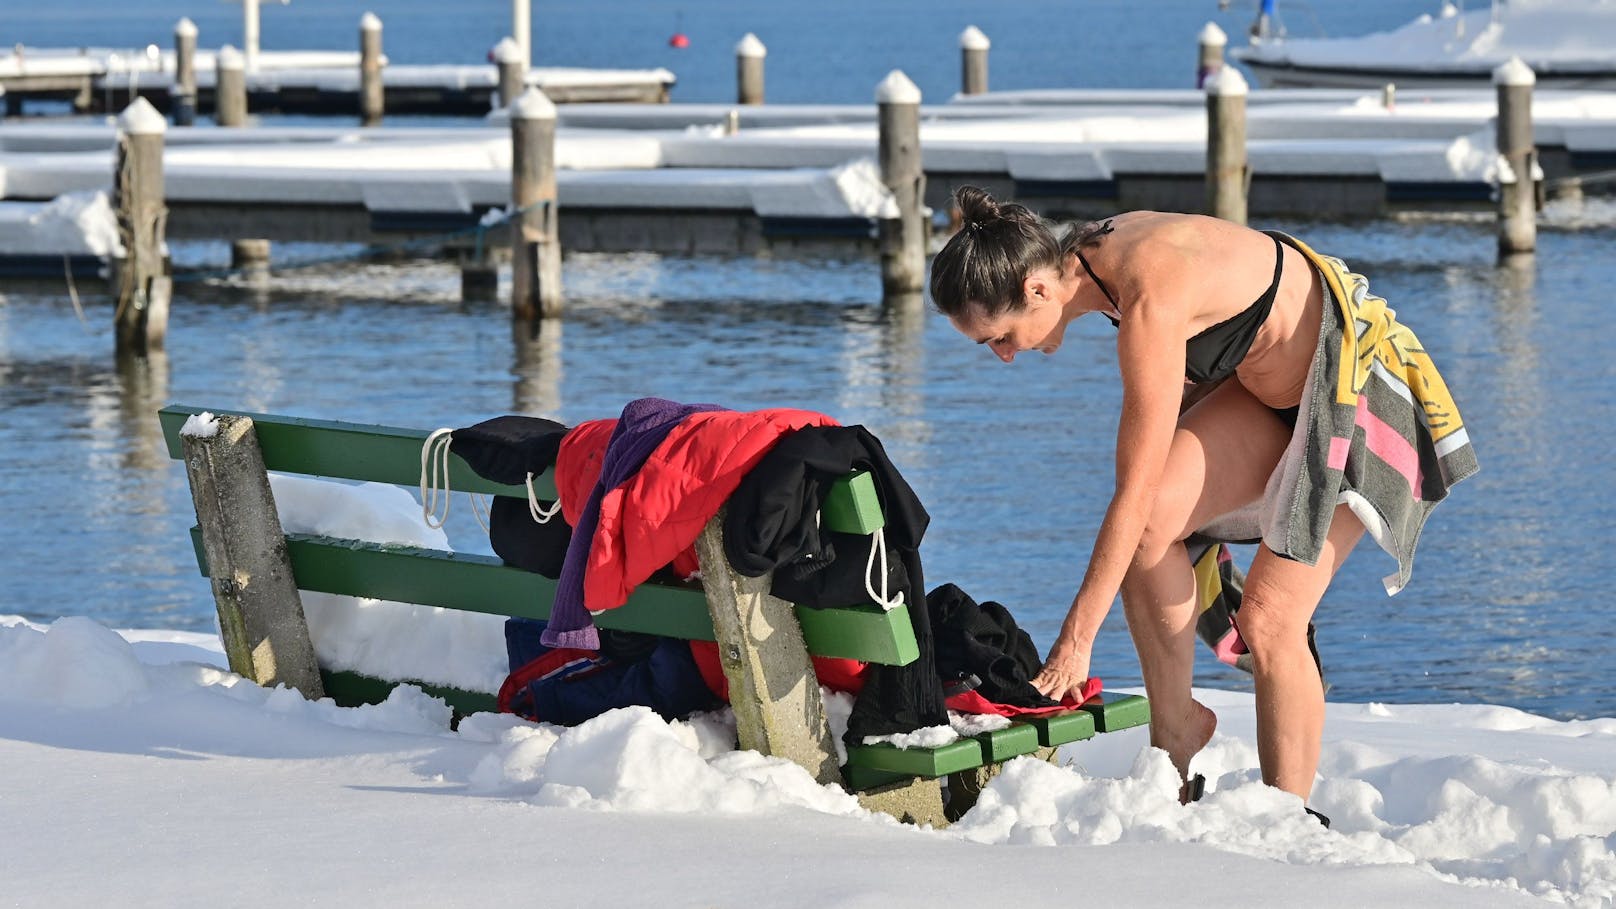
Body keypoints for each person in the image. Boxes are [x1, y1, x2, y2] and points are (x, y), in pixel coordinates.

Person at [927, 186, 1478, 813]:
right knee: (1154, 524)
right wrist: (1186, 519)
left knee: (1270, 619)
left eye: (998, 337)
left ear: (1038, 290)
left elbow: (1129, 488)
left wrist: (1076, 641)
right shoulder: (1085, 257)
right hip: (1268, 396)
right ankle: (1177, 734)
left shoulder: (1147, 294)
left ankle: (1285, 817)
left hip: (1353, 392)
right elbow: (1159, 464)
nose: (1003, 356)